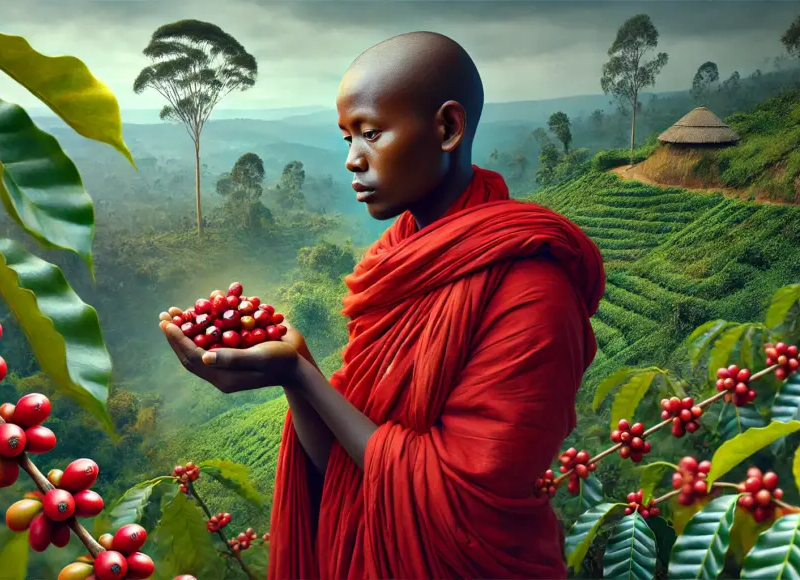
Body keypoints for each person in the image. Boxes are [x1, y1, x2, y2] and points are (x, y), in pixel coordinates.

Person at [159, 31, 605, 580]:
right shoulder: (396, 259)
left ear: (447, 128)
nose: (352, 161)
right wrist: (296, 376)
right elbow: (352, 471)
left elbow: (455, 502)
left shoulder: (532, 289)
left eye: (370, 134)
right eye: (347, 138)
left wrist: (300, 374)